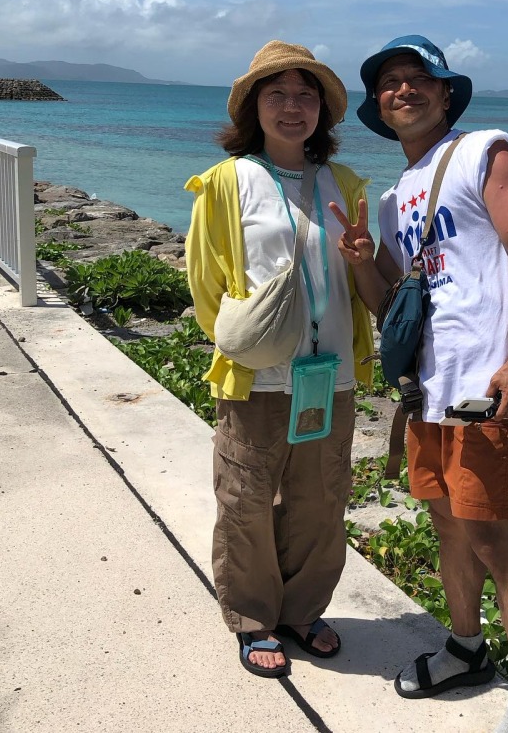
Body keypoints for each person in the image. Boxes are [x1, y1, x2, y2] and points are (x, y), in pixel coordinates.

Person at [330, 35, 508, 733]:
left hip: (491, 389)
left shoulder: (489, 150)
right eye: (389, 82)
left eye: (418, 78)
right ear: (378, 106)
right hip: (429, 390)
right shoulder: (396, 196)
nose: (403, 89)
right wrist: (364, 261)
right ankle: (465, 647)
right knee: (448, 527)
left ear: (446, 92)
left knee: (495, 539)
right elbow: (393, 302)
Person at [184, 41, 374, 678]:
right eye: (278, 95)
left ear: (322, 109)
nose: (293, 108)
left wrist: (365, 257)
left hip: (332, 376)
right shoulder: (225, 183)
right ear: (254, 109)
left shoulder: (344, 184)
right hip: (259, 376)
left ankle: (303, 609)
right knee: (245, 496)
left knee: (321, 498)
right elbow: (205, 282)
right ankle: (252, 616)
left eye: (305, 95)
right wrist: (245, 341)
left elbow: (359, 277)